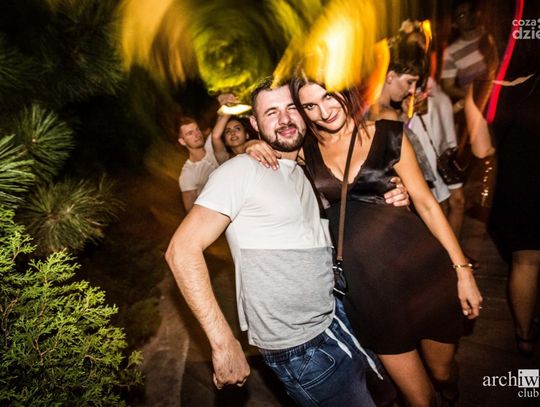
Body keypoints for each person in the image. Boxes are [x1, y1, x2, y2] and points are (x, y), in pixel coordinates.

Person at [165, 78, 409, 406]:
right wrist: (222, 342)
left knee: (387, 397)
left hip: (338, 316)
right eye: (271, 112)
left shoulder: (305, 169)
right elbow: (181, 251)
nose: (284, 119)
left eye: (291, 108)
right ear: (254, 123)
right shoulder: (241, 171)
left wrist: (392, 193)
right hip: (300, 349)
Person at [248, 76, 483, 406]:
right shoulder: (305, 152)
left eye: (329, 97)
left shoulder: (388, 134)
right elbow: (269, 147)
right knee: (419, 399)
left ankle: (450, 392)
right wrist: (250, 145)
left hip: (424, 274)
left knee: (443, 372)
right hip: (370, 293)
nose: (323, 112)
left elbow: (427, 204)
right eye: (310, 106)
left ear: (345, 89)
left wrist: (463, 271)